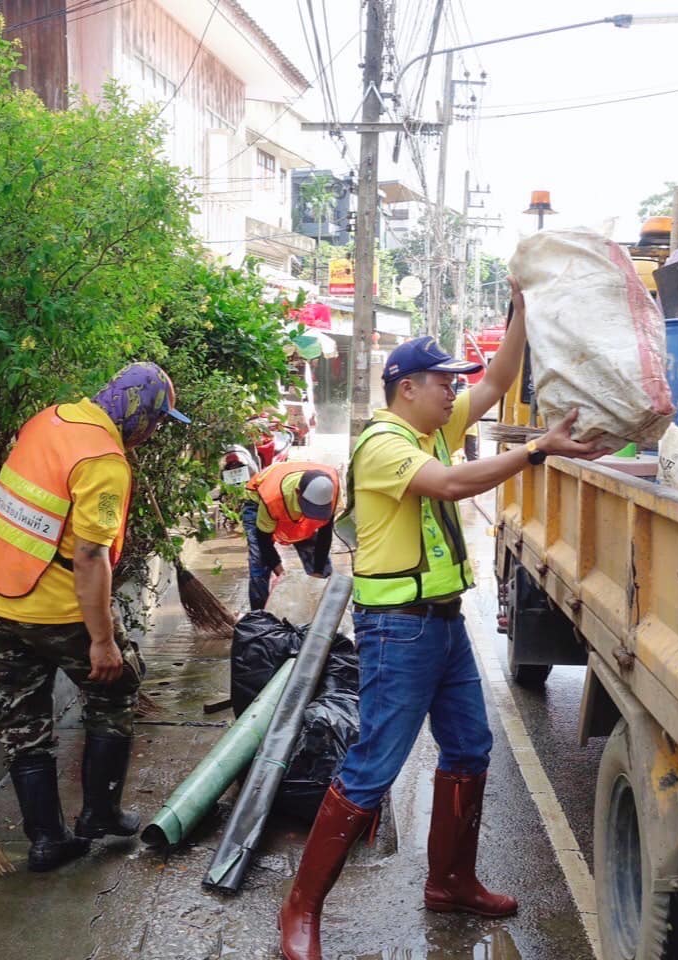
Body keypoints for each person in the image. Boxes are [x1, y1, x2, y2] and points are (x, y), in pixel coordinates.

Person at [278, 286, 612, 960]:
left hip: (445, 624)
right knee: (373, 766)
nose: (452, 392)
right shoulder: (384, 444)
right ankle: (301, 909)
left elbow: (496, 380)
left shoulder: (430, 429)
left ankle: (450, 882)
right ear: (406, 388)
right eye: (441, 383)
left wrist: (520, 311)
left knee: (469, 749)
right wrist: (539, 450)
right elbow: (453, 485)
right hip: (396, 629)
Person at [0, 362, 189, 873]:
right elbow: (89, 555)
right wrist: (102, 641)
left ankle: (47, 840)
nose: (153, 432)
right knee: (115, 690)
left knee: (23, 722)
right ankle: (100, 815)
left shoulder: (49, 419)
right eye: (156, 421)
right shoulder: (103, 460)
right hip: (59, 610)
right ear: (137, 413)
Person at [243, 461, 338, 610]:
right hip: (259, 502)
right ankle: (259, 615)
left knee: (317, 560)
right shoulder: (272, 500)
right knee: (259, 562)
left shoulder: (330, 491)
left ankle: (324, 611)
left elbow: (325, 535)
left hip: (294, 501)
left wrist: (318, 572)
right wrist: (281, 573)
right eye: (310, 510)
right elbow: (263, 540)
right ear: (298, 492)